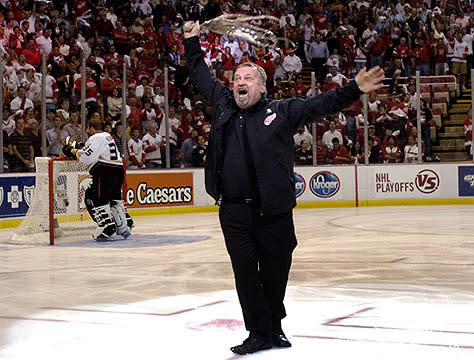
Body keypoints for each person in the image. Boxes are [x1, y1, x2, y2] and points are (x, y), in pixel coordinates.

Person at [183, 21, 384, 355]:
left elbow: (321, 104)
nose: (240, 83)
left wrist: (354, 89)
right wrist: (191, 40)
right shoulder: (223, 106)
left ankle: (273, 326)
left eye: (248, 78)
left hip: (273, 210)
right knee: (246, 274)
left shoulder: (280, 111)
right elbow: (200, 72)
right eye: (236, 79)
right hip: (233, 211)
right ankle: (259, 333)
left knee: (275, 274)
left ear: (262, 87)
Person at [62, 117, 133, 241]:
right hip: (118, 169)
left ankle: (108, 228)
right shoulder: (108, 136)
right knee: (114, 198)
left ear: (92, 128)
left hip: (105, 170)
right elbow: (92, 152)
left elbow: (86, 157)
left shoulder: (96, 138)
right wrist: (80, 148)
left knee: (94, 197)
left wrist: (72, 151)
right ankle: (123, 226)